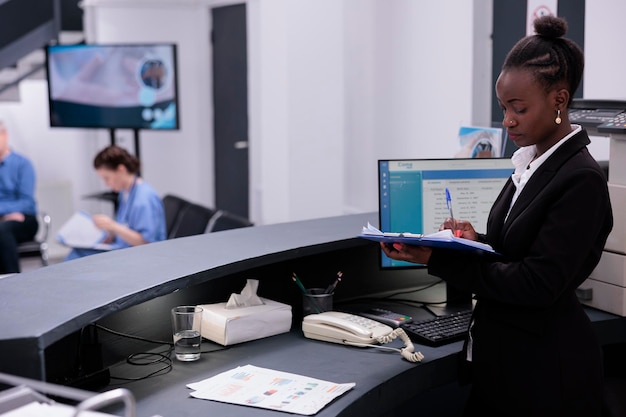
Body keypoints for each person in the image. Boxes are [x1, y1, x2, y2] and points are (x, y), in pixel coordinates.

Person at [381, 15, 613, 417]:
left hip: (545, 375)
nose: (507, 120)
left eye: (518, 109)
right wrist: (477, 242)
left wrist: (442, 260)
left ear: (559, 100)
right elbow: (516, 250)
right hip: (507, 360)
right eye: (504, 107)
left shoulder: (580, 179)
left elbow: (536, 283)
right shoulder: (531, 163)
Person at [65, 145, 166, 260]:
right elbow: (127, 226)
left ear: (121, 170)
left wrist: (113, 226)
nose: (106, 184)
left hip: (140, 258)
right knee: (78, 252)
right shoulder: (125, 192)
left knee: (77, 258)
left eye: (107, 178)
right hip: (124, 250)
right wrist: (111, 234)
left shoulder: (144, 198)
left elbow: (146, 243)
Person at [0, 120, 38, 274]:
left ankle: (11, 279)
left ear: (5, 135)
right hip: (4, 219)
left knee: (2, 230)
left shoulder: (23, 164)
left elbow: (26, 202)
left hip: (24, 219)